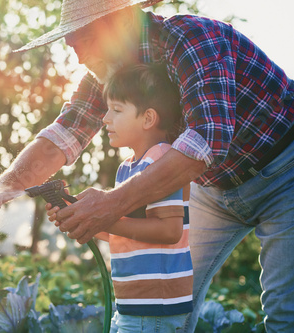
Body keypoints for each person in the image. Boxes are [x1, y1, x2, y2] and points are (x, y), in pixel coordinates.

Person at [0, 0, 294, 331]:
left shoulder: (193, 40)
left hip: (290, 173)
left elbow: (208, 139)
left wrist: (112, 203)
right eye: (72, 43)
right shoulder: (110, 74)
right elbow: (64, 133)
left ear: (124, 21)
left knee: (288, 314)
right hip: (214, 187)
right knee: (164, 304)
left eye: (87, 39)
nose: (80, 57)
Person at [46, 63, 193, 332]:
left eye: (116, 110)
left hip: (154, 309)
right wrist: (80, 218)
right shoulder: (127, 168)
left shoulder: (161, 161)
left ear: (148, 118)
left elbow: (170, 230)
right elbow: (126, 234)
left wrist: (108, 219)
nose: (105, 119)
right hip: (131, 306)